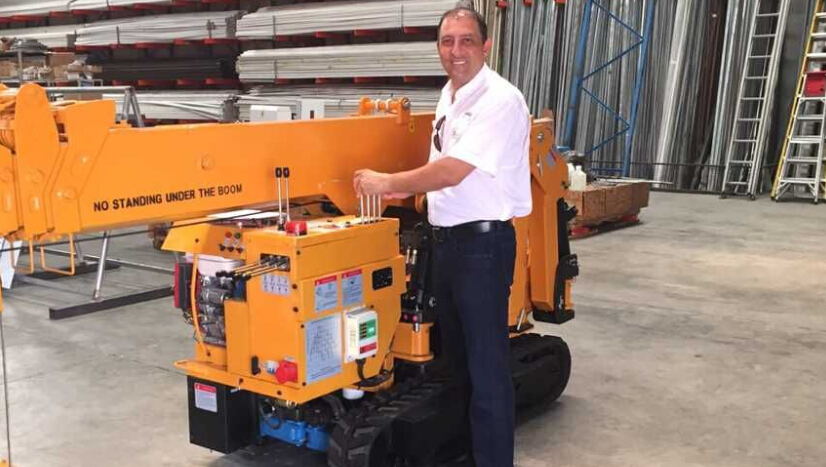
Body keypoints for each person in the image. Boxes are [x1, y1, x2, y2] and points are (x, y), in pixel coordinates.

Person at [353, 6, 531, 467]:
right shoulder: (450, 94)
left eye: (466, 40)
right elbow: (443, 165)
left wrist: (385, 182)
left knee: (486, 370)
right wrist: (409, 193)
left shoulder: (500, 99)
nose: (456, 51)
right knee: (457, 368)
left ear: (486, 46)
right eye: (447, 41)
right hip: (447, 244)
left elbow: (453, 170)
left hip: (482, 249)